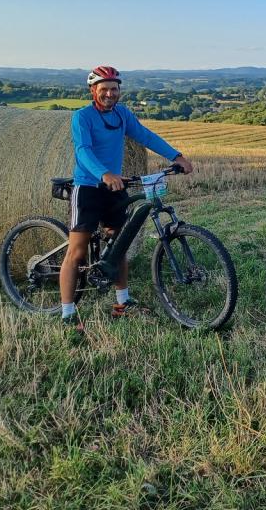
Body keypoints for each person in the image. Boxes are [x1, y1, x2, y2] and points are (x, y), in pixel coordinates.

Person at [60, 65, 193, 335]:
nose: (109, 93)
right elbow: (83, 150)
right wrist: (104, 173)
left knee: (119, 244)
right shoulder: (82, 117)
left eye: (114, 89)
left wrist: (175, 156)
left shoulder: (122, 114)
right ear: (93, 91)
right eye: (104, 89)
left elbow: (145, 136)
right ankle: (67, 313)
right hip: (88, 187)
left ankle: (122, 302)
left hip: (114, 187)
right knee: (77, 252)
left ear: (119, 90)